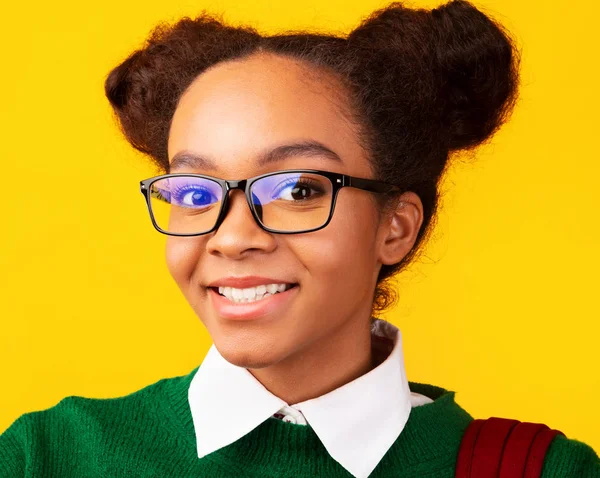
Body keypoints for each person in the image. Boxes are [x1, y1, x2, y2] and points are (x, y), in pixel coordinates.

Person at [1, 0, 598, 476]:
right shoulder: (46, 458)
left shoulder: (539, 472)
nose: (232, 237)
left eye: (298, 190)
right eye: (192, 193)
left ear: (396, 227)